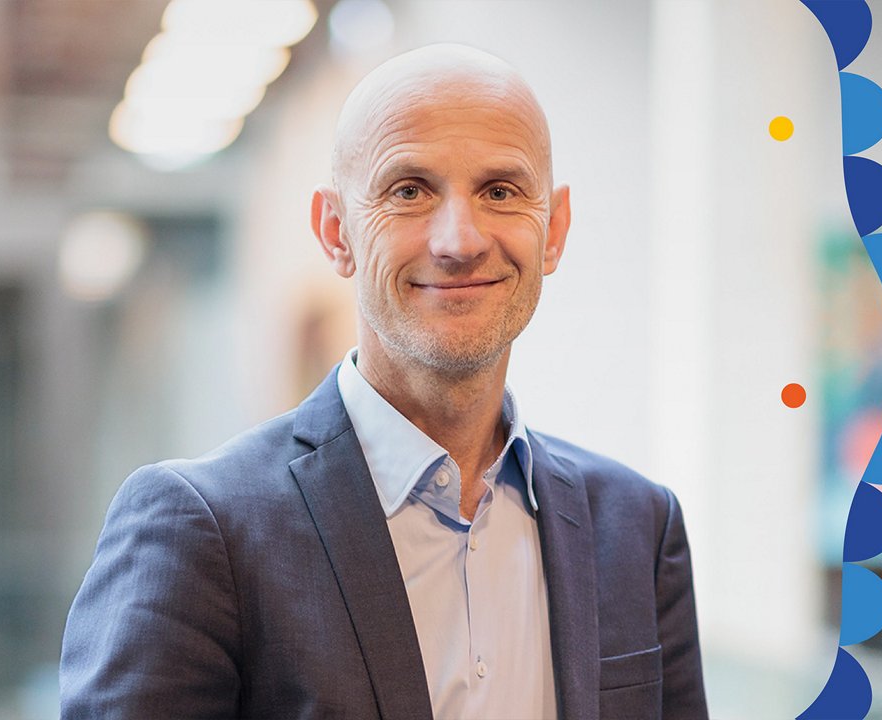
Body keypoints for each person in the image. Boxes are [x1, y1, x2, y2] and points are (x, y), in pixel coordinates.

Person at [60, 43, 707, 720]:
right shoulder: (203, 530)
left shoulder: (637, 526)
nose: (459, 240)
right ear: (336, 231)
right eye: (409, 191)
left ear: (555, 229)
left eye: (500, 191)